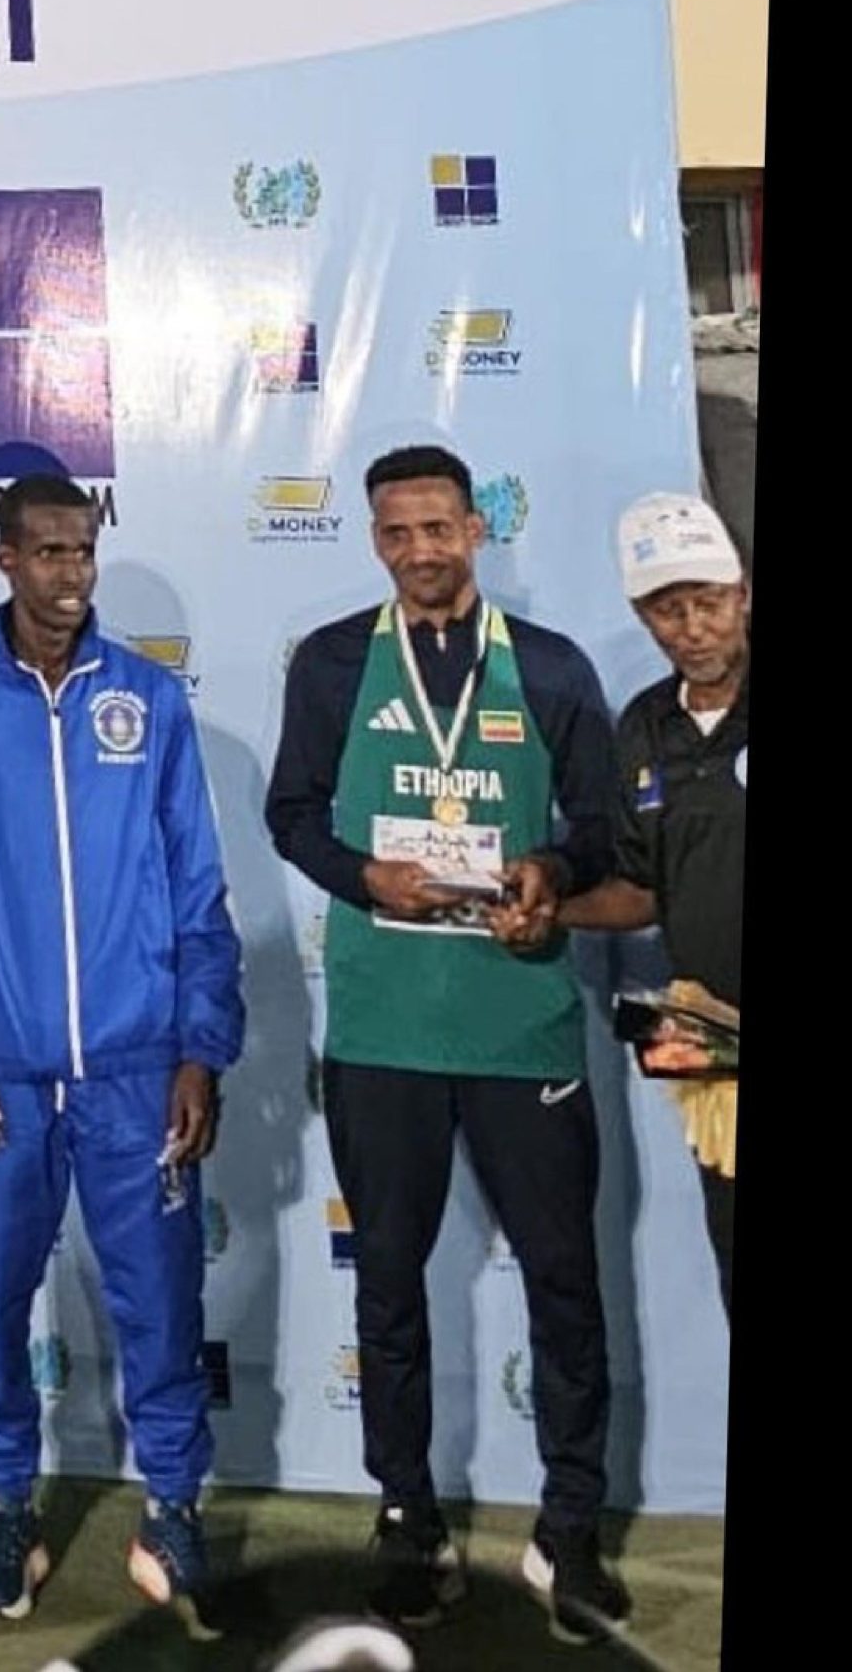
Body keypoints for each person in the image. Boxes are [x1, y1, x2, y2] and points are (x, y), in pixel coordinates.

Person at [266, 444, 631, 1643]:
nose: (420, 550)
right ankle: (406, 1512)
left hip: (518, 1019)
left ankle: (568, 1522)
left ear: (476, 529)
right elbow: (291, 813)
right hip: (382, 1029)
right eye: (397, 532)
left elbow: (598, 836)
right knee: (387, 1284)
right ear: (375, 540)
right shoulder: (330, 664)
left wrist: (550, 872)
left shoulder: (554, 668)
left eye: (439, 527)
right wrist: (362, 870)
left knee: (565, 1283)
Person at [0, 476, 243, 1633]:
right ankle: (1, 1504)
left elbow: (198, 886)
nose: (69, 575)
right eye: (46, 551)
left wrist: (201, 1045)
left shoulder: (148, 699)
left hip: (138, 1071)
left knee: (159, 1306)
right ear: (3, 557)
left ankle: (173, 1503)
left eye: (82, 551)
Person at [513, 493, 745, 1315]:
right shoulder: (644, 726)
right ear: (643, 615)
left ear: (742, 593)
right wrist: (554, 910)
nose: (692, 626)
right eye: (667, 608)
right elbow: (641, 893)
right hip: (712, 1041)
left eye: (708, 602)